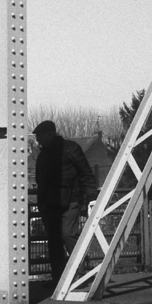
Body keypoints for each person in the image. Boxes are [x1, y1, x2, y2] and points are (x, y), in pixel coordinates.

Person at [32, 120, 97, 285]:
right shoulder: (64, 150)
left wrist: (92, 198)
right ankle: (65, 277)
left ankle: (76, 274)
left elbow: (85, 173)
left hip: (69, 200)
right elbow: (86, 173)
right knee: (58, 238)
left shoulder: (51, 153)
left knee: (66, 235)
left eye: (39, 136)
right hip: (55, 201)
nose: (37, 139)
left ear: (49, 134)